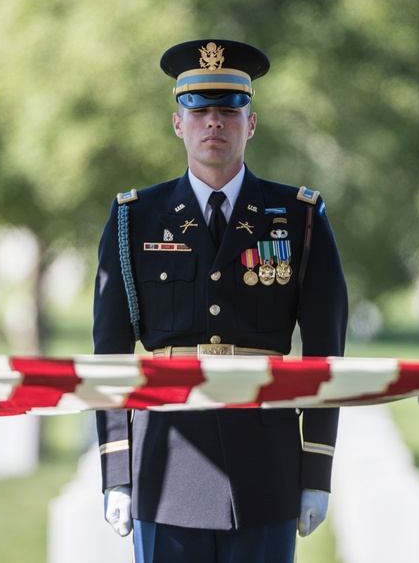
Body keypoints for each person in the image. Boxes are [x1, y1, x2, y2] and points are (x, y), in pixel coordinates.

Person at [92, 39, 347, 563]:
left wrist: (316, 469)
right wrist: (117, 472)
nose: (214, 123)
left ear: (250, 123)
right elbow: (110, 355)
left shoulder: (298, 216)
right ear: (177, 123)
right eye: (200, 111)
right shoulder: (134, 218)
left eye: (229, 111)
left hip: (265, 464)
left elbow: (326, 353)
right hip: (167, 462)